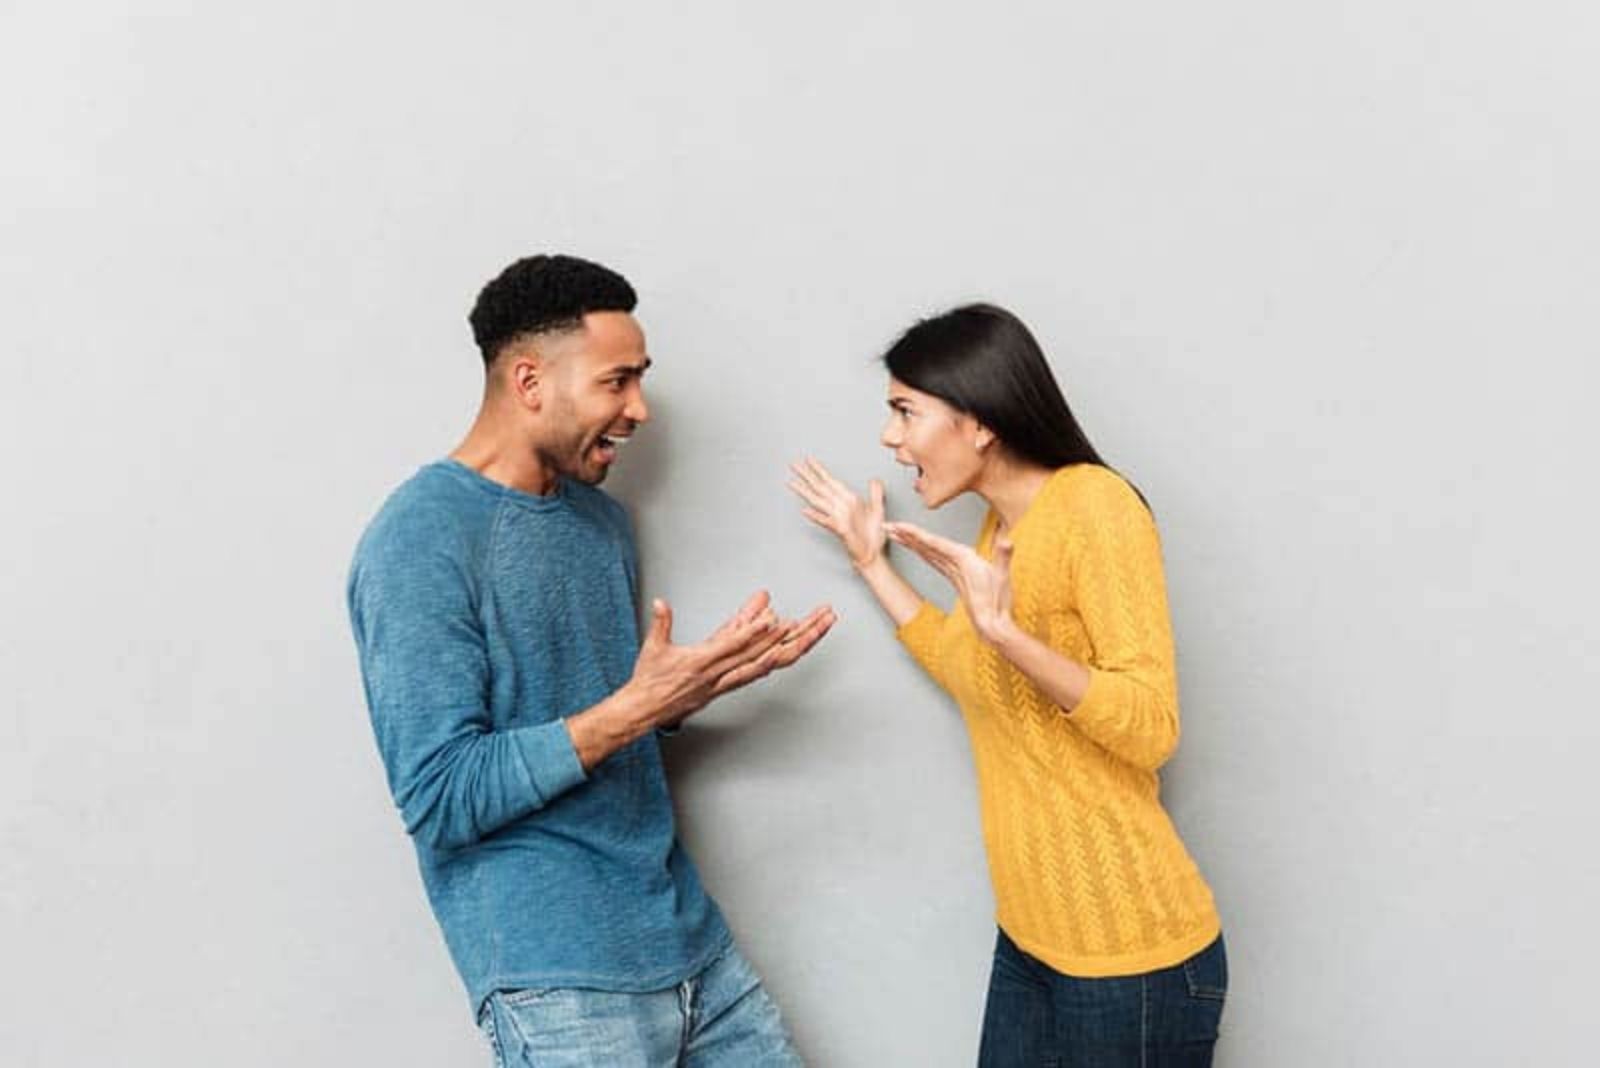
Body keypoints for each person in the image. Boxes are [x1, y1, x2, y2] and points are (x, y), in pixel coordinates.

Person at [348, 253, 832, 1067]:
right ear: (529, 381)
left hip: (688, 945)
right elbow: (438, 794)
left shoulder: (600, 524)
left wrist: (683, 694)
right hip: (557, 977)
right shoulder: (419, 539)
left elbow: (594, 718)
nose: (639, 408)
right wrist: (638, 708)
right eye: (617, 382)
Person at [789, 303, 1226, 1066]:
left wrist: (1007, 633)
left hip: (1130, 958)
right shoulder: (1001, 532)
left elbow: (1152, 728)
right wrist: (871, 563)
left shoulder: (1095, 508)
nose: (890, 438)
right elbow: (972, 672)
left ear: (978, 419)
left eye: (904, 412)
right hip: (1033, 938)